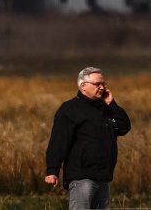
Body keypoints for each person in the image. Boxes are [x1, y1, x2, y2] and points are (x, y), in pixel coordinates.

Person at [44, 66, 132, 210]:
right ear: (83, 86)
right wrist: (52, 171)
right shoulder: (70, 109)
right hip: (81, 177)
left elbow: (124, 127)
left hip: (103, 178)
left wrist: (112, 104)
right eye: (97, 84)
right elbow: (58, 141)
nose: (102, 87)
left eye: (103, 84)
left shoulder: (105, 109)